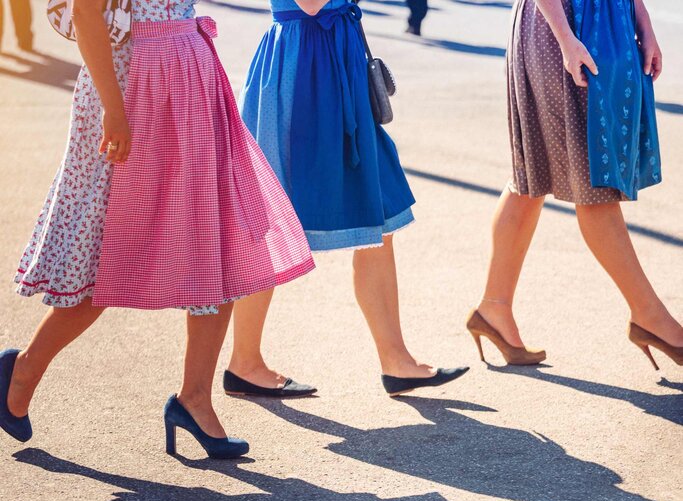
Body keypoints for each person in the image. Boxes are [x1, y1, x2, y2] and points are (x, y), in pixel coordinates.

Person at [0, 0, 314, 458]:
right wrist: (113, 108)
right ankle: (23, 371)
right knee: (101, 258)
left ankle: (195, 399)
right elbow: (87, 13)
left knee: (217, 245)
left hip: (190, 77)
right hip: (128, 86)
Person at [225, 0, 469, 400]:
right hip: (303, 69)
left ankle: (397, 361)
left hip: (332, 59)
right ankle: (244, 362)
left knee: (378, 218)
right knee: (269, 221)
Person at [466, 0, 683, 368]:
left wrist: (642, 20)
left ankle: (494, 308)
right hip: (562, 26)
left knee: (533, 178)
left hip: (603, 25)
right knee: (593, 183)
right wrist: (566, 38)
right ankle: (651, 318)